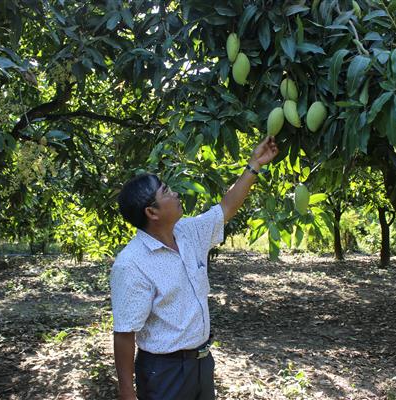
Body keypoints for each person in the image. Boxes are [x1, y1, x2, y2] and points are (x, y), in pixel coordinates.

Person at [110, 136, 279, 400]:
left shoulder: (188, 232)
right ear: (151, 213)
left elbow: (225, 208)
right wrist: (127, 394)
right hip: (163, 372)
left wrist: (254, 165)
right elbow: (124, 333)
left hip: (201, 362)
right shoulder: (132, 264)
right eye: (166, 192)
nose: (175, 193)